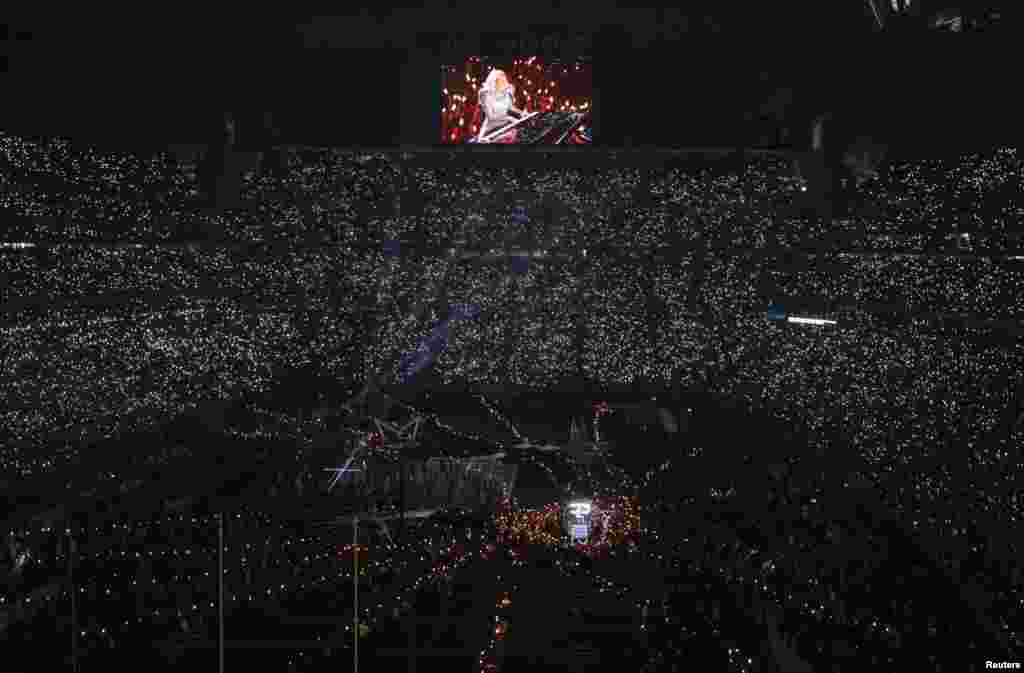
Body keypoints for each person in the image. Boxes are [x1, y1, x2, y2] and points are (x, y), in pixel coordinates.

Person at [477, 69, 527, 144]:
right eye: (500, 81)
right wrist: (510, 118)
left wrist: (521, 113)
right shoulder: (486, 95)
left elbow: (510, 107)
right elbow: (492, 117)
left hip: (505, 125)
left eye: (504, 80)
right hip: (491, 126)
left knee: (514, 134)